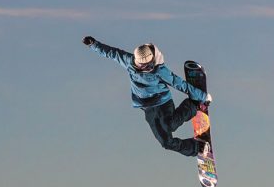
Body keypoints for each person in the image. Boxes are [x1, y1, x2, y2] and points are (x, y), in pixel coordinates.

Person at [83, 36, 212, 158]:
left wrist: (202, 97)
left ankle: (192, 105)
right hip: (147, 107)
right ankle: (197, 147)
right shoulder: (129, 62)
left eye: (147, 66)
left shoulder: (159, 70)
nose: (144, 69)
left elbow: (178, 83)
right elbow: (111, 52)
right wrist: (93, 44)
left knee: (170, 126)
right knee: (166, 142)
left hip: (162, 102)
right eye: (141, 66)